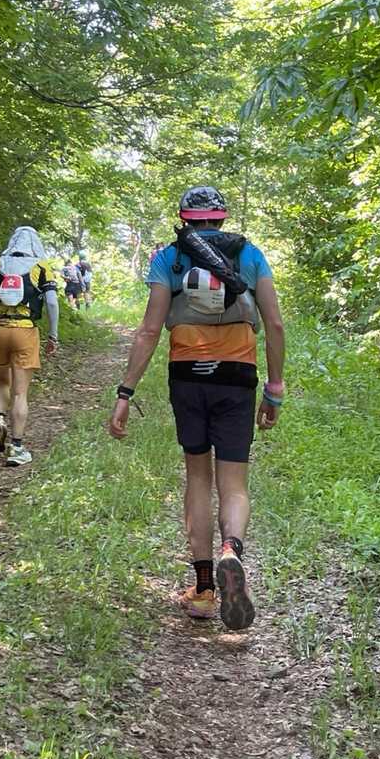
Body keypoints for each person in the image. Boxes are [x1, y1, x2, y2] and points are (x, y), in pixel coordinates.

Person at [107, 186, 286, 630]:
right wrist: (274, 388)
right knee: (234, 482)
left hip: (188, 376)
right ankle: (232, 550)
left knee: (198, 478)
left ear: (183, 218)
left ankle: (205, 590)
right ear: (222, 218)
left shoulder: (169, 259)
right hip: (237, 375)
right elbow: (274, 323)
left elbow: (149, 330)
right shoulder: (251, 255)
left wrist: (125, 392)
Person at [0, 226, 59, 467]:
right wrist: (53, 336)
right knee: (20, 393)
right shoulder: (41, 267)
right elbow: (52, 303)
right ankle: (17, 448)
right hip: (25, 330)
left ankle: (0, 419)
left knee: (2, 381)